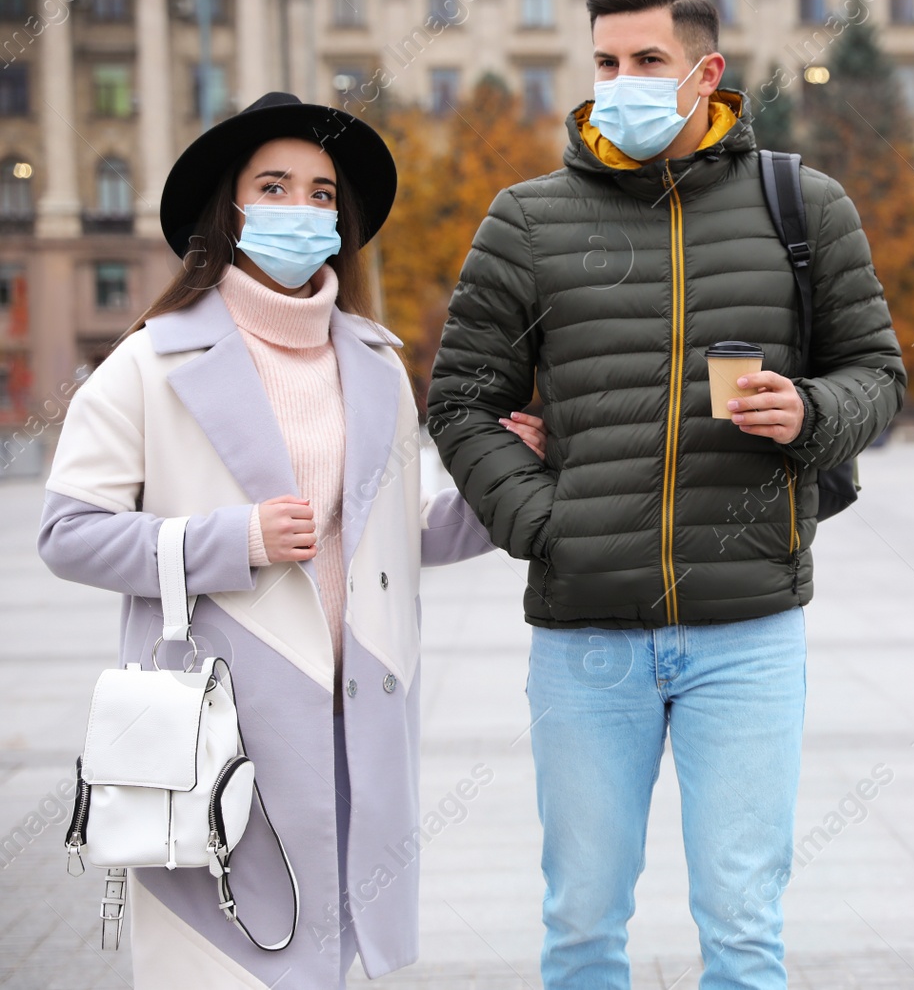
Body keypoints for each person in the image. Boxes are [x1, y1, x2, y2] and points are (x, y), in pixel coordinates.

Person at [428, 0, 907, 990]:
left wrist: (812, 412)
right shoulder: (527, 218)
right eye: (606, 61)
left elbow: (878, 372)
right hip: (586, 636)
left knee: (742, 924)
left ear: (706, 72)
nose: (622, 80)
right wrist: (543, 522)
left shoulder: (802, 206)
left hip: (749, 632)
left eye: (648, 60)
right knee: (583, 920)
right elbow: (460, 398)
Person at [37, 92, 538, 988]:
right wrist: (233, 540)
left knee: (328, 958)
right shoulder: (153, 359)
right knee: (224, 959)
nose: (301, 209)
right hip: (220, 734)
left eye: (319, 193)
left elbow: (401, 534)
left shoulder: (377, 362)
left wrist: (509, 478)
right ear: (229, 211)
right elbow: (68, 532)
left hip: (356, 731)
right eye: (274, 186)